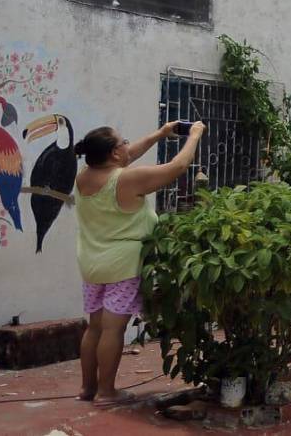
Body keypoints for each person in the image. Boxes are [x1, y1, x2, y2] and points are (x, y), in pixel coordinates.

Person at [74, 121, 205, 403]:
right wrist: (194, 135)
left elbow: (126, 156)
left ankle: (87, 389)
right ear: (113, 154)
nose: (127, 146)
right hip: (122, 266)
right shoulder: (126, 180)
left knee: (94, 327)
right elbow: (178, 167)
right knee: (113, 329)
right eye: (123, 142)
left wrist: (160, 134)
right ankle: (106, 393)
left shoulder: (84, 177)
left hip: (91, 264)